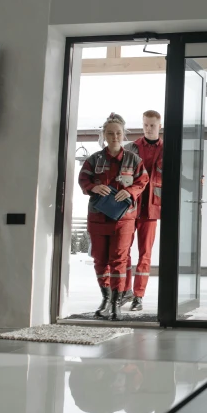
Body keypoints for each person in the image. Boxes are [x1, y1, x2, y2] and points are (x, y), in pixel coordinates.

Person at [78, 113, 148, 321]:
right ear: (104, 135)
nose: (115, 136)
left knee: (118, 259)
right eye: (110, 133)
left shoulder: (134, 160)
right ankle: (105, 299)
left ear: (123, 134)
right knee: (100, 259)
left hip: (124, 218)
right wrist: (93, 187)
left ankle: (117, 302)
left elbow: (142, 181)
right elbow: (83, 180)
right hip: (98, 217)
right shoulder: (94, 160)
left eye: (118, 133)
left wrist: (130, 191)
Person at [119, 110, 163, 312]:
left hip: (152, 210)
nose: (149, 128)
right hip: (129, 207)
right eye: (146, 125)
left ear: (159, 126)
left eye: (152, 125)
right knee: (124, 252)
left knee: (145, 255)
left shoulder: (168, 149)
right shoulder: (130, 148)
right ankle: (124, 291)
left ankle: (139, 296)